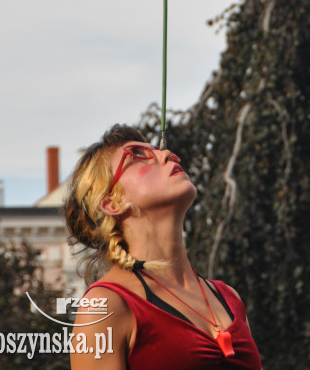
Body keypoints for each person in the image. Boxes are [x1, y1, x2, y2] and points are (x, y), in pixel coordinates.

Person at [63, 124, 262, 369]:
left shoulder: (229, 298)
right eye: (137, 154)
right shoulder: (105, 307)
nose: (167, 154)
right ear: (113, 203)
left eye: (157, 149)